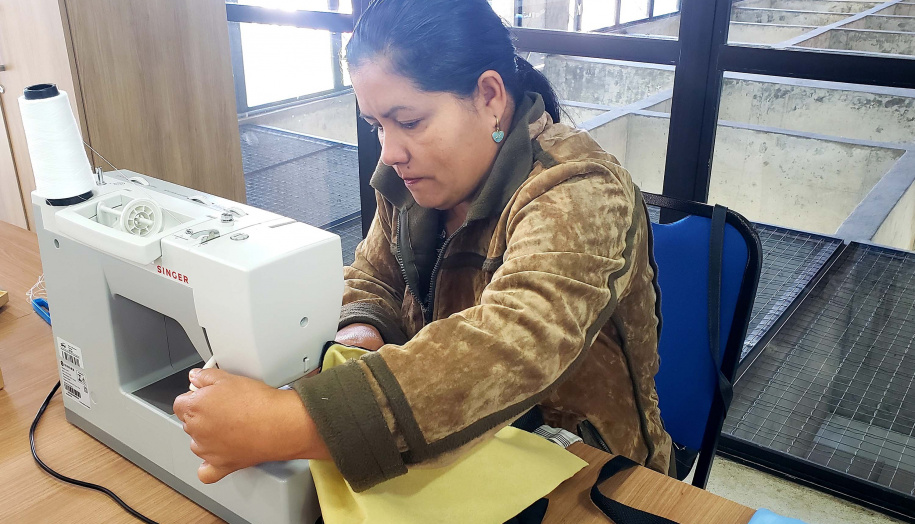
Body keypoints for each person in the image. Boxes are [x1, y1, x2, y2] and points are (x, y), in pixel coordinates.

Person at [173, 0, 673, 491]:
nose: (390, 151)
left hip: (592, 477)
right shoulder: (415, 179)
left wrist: (284, 423)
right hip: (458, 457)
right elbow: (373, 276)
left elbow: (510, 344)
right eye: (377, 125)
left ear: (490, 96)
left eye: (408, 121)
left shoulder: (582, 189)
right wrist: (361, 332)